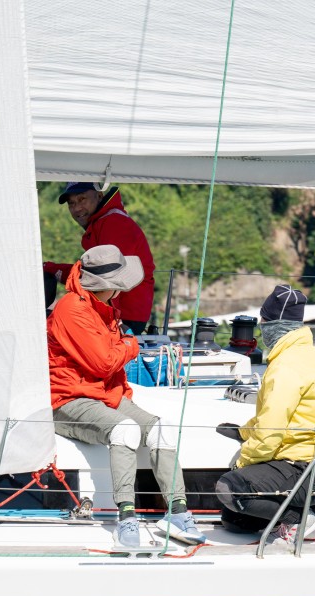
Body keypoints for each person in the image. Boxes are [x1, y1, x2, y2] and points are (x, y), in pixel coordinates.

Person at [48, 245, 204, 547]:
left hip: (103, 394)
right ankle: (127, 517)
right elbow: (104, 361)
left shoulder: (99, 306)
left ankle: (178, 511)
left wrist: (122, 351)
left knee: (163, 429)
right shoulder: (73, 309)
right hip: (68, 400)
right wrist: (131, 344)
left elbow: (106, 361)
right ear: (111, 286)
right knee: (126, 429)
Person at [214, 285, 315, 541]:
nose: (261, 328)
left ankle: (309, 513)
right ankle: (305, 507)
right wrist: (243, 432)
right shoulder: (306, 355)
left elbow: (271, 432)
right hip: (308, 465)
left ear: (274, 325)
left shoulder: (286, 366)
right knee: (236, 521)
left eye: (264, 321)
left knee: (229, 487)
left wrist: (242, 461)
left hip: (304, 468)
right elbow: (277, 417)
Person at [43, 182, 156, 334]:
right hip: (123, 314)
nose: (76, 208)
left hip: (123, 318)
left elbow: (107, 278)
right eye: (71, 203)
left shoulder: (113, 224)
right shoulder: (104, 221)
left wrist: (53, 269)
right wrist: (52, 268)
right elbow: (96, 275)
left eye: (82, 199)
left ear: (99, 195)